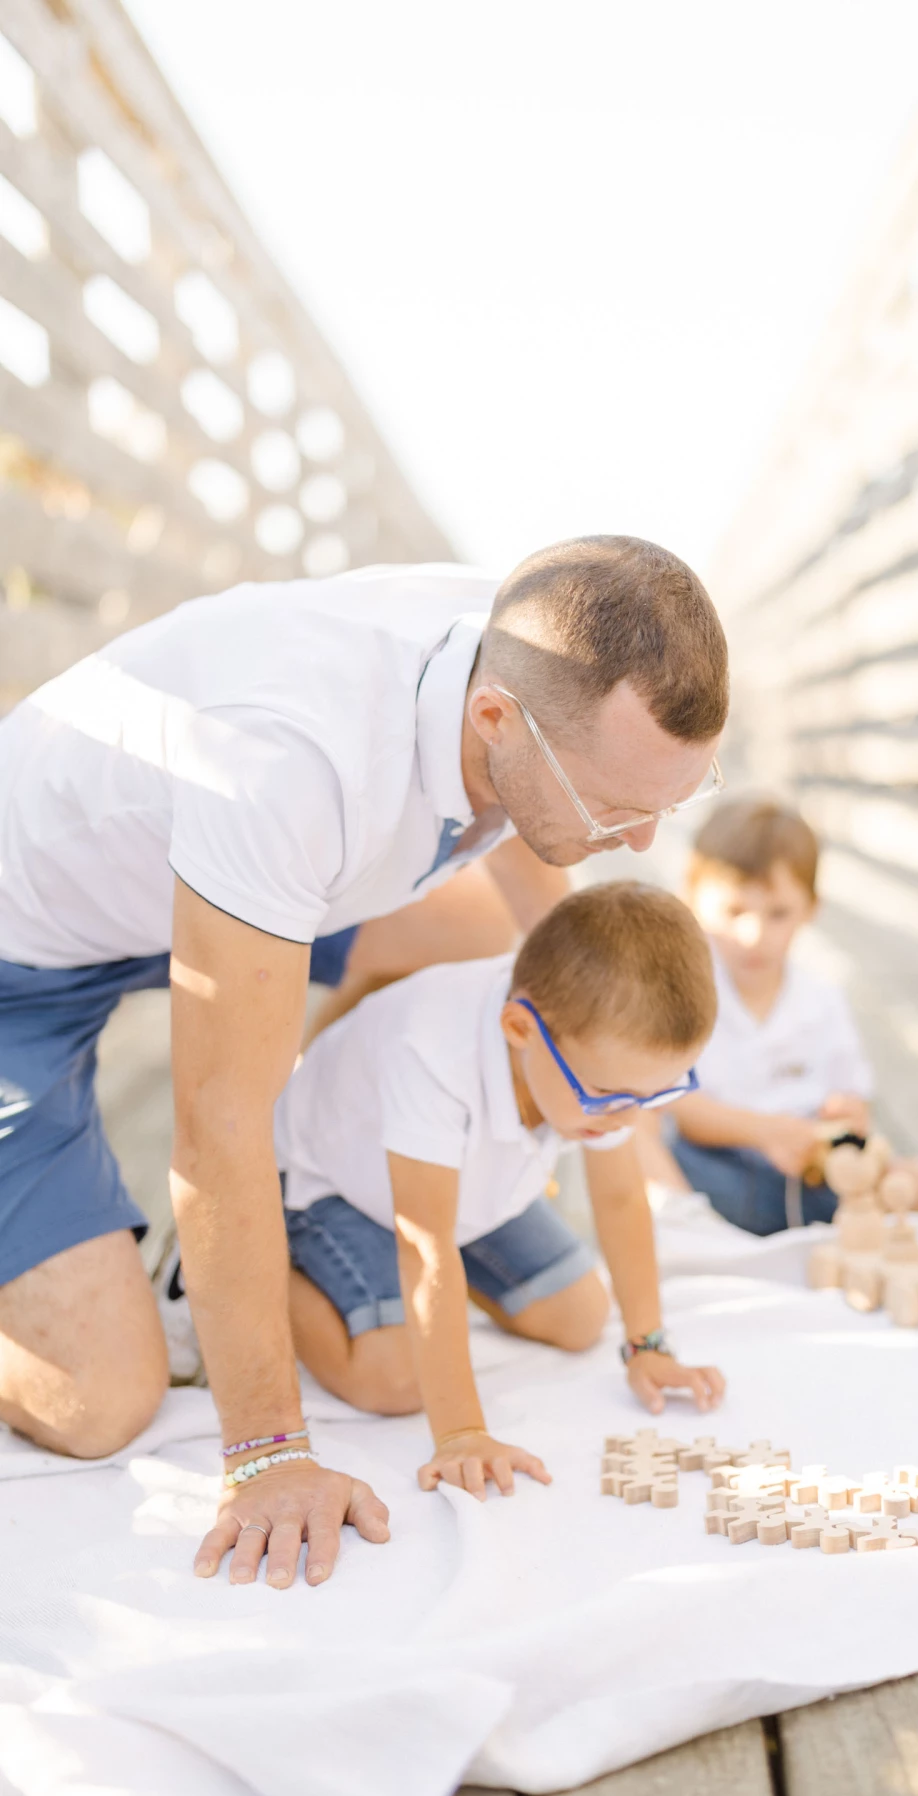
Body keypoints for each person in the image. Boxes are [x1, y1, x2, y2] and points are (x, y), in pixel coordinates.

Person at [0, 537, 728, 1588]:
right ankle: (295, 1215)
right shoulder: (289, 767)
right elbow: (217, 1120)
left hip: (199, 878)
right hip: (19, 955)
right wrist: (267, 1452)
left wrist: (624, 1096)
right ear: (495, 723)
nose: (647, 838)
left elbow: (560, 951)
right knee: (102, 1399)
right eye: (619, 809)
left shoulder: (536, 642)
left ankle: (361, 1160)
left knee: (527, 968)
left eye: (677, 799)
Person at [276, 882, 725, 1506]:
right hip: (335, 1188)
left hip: (465, 1188)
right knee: (397, 1379)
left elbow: (621, 1196)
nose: (626, 1120)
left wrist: (647, 1343)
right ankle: (248, 1270)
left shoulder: (596, 1067)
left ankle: (410, 1307)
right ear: (520, 1028)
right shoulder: (433, 1057)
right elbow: (426, 1248)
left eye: (653, 1097)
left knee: (581, 1318)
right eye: (608, 1098)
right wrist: (461, 1431)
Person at [638, 797, 918, 1233]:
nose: (754, 935)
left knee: (904, 1180)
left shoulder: (820, 1000)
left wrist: (845, 1120)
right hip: (715, 1173)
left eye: (778, 914)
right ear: (691, 899)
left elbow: (851, 1100)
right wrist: (763, 1132)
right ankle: (698, 1239)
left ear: (810, 909)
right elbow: (674, 1102)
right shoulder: (683, 990)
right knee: (642, 1145)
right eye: (734, 911)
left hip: (811, 1173)